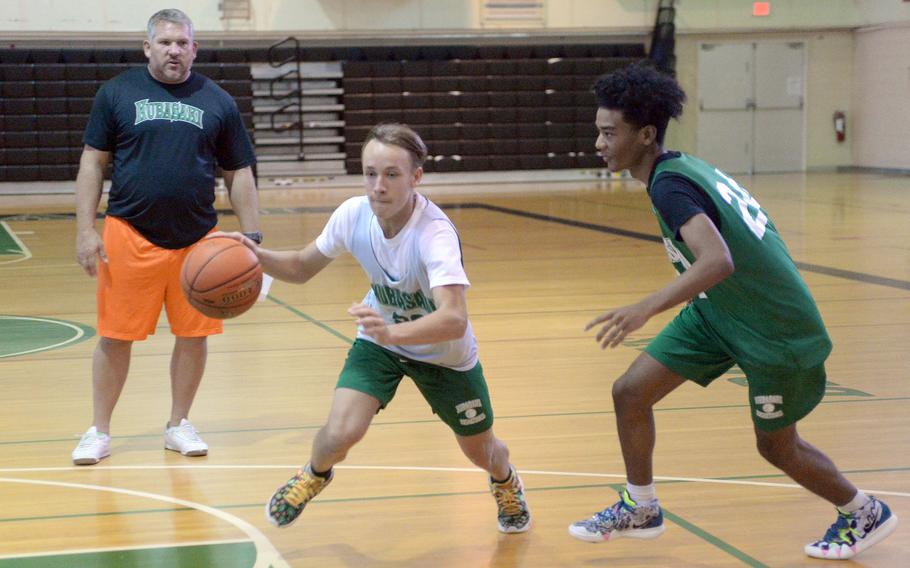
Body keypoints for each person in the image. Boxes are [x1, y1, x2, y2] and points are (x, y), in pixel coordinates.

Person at [567, 62, 897, 560]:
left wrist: (645, 307)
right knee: (630, 392)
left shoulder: (669, 184)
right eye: (599, 131)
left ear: (645, 134)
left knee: (776, 447)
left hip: (773, 329)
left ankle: (863, 510)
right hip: (718, 313)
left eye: (610, 133)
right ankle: (641, 506)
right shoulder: (682, 167)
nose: (599, 143)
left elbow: (718, 260)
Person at [217, 123, 531, 534]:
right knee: (340, 433)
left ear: (415, 177)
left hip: (443, 356)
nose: (377, 186)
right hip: (380, 341)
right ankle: (314, 473)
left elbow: (454, 319)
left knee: (481, 451)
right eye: (370, 173)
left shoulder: (433, 234)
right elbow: (300, 267)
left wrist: (393, 333)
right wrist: (256, 256)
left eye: (391, 175)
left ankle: (505, 480)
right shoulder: (353, 214)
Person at [71, 8, 261, 465]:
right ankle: (99, 430)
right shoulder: (117, 92)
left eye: (183, 43)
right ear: (148, 47)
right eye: (166, 43)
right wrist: (85, 230)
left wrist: (252, 235)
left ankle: (179, 424)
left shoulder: (217, 100)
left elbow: (239, 171)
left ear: (194, 48)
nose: (174, 50)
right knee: (115, 337)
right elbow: (92, 163)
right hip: (128, 232)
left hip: (199, 241)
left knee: (194, 336)